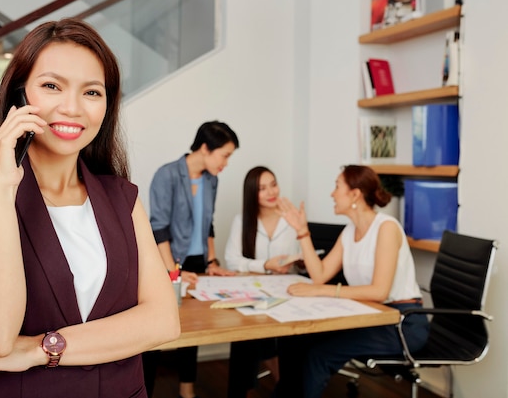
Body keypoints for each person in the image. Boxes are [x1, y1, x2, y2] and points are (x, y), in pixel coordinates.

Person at [0, 18, 180, 398]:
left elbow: (163, 322)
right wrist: (4, 189)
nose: (72, 107)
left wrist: (36, 348)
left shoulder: (122, 198)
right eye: (51, 86)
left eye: (92, 92)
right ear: (20, 96)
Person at [274, 165, 429, 398]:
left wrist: (320, 291)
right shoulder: (350, 231)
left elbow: (379, 290)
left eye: (337, 186)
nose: (332, 194)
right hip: (373, 317)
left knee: (320, 355)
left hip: (402, 323)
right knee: (296, 341)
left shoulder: (386, 228)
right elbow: (320, 274)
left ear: (355, 194)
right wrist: (302, 231)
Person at [144, 120, 239, 398]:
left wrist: (212, 262)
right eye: (225, 155)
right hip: (169, 264)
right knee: (158, 329)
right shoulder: (168, 175)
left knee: (194, 330)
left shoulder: (212, 179)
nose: (226, 163)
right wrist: (173, 272)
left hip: (198, 264)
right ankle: (144, 391)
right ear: (206, 148)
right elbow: (158, 227)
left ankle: (187, 388)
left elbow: (208, 224)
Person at [224, 166, 299, 398]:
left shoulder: (291, 218)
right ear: (251, 193)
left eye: (273, 184)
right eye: (262, 188)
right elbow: (231, 260)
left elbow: (301, 254)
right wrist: (265, 265)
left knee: (266, 337)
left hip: (287, 292)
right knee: (247, 334)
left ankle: (284, 388)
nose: (270, 192)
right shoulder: (243, 220)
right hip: (253, 293)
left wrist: (299, 262)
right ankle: (247, 390)